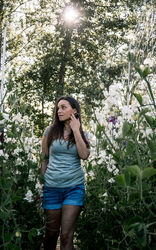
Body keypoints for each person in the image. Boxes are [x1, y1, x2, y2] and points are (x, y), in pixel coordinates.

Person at [41, 96, 90, 250]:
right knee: (50, 235)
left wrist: (76, 129)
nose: (59, 111)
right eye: (58, 108)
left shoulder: (83, 135)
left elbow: (84, 155)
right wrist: (42, 184)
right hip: (52, 188)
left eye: (63, 107)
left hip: (74, 188)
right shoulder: (50, 131)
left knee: (66, 236)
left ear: (74, 110)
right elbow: (44, 159)